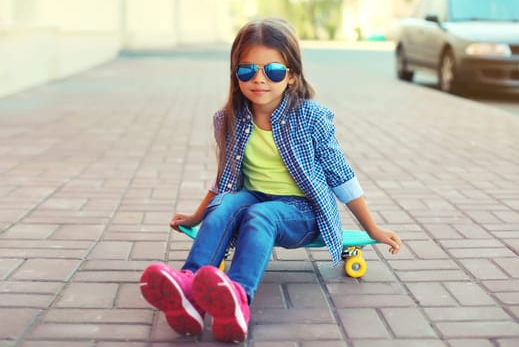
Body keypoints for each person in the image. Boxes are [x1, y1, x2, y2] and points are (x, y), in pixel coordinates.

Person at [139, 17, 402, 343]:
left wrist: (372, 228)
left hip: (303, 210)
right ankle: (188, 289)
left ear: (291, 76)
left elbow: (340, 175)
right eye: (247, 70)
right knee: (225, 204)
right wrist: (197, 216)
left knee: (258, 214)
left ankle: (237, 297)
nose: (259, 79)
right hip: (253, 196)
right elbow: (224, 178)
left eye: (273, 71)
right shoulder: (229, 118)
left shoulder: (311, 117)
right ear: (236, 75)